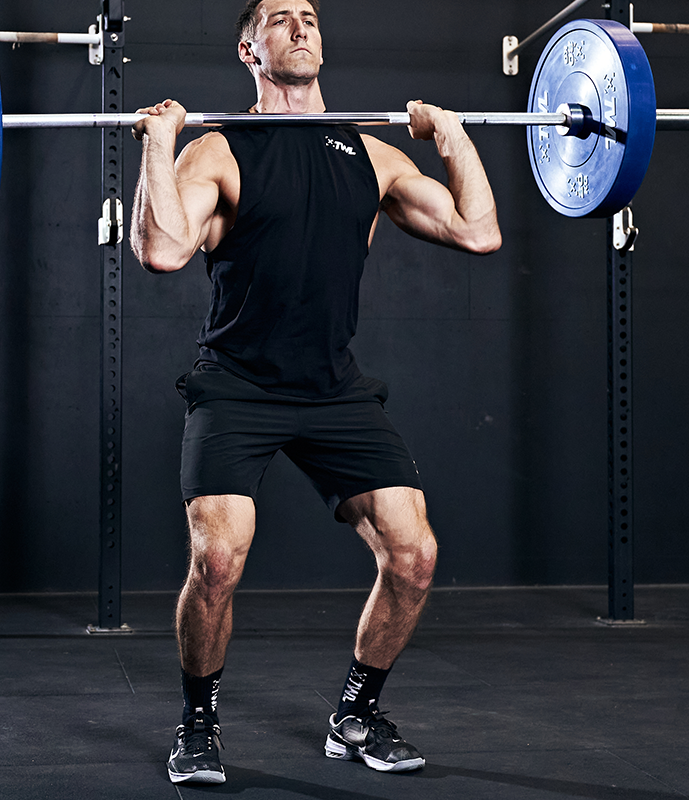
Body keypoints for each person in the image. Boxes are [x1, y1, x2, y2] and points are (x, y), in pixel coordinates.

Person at [130, 0, 501, 785]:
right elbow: (162, 250)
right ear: (248, 49)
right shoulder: (220, 152)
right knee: (219, 559)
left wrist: (454, 134)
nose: (300, 27)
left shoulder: (373, 157)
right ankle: (198, 723)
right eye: (278, 19)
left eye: (309, 17)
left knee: (415, 555)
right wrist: (160, 146)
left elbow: (479, 230)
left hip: (333, 389)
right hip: (236, 387)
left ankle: (356, 715)